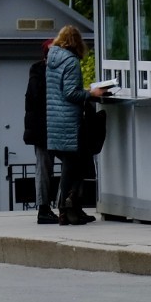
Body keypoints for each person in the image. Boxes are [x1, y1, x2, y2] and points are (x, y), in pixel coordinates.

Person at [46, 24, 103, 226]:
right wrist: (91, 93)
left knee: (71, 165)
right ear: (77, 42)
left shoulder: (52, 60)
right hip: (69, 121)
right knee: (75, 166)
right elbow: (70, 93)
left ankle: (70, 209)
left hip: (54, 120)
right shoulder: (70, 62)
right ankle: (67, 207)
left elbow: (60, 91)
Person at [24, 42, 58, 223]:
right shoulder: (39, 73)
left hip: (45, 127)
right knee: (45, 167)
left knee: (47, 166)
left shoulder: (36, 71)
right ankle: (44, 208)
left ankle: (57, 205)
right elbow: (37, 97)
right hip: (44, 128)